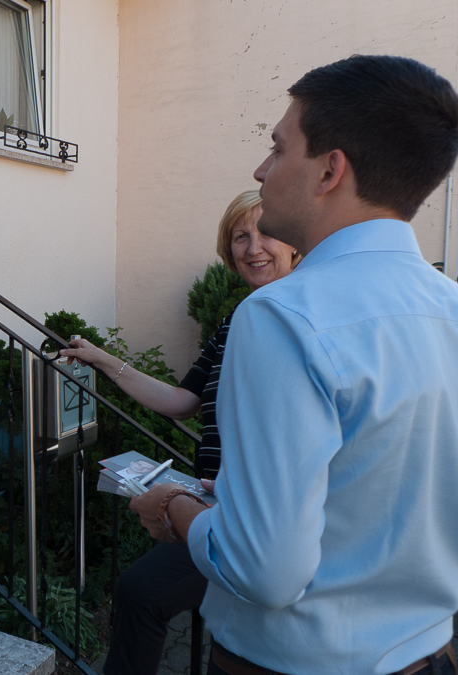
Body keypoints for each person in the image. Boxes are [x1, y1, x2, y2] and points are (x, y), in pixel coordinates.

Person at [132, 55, 458, 675]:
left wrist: (175, 509)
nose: (261, 169)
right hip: (432, 659)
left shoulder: (281, 317)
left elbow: (261, 569)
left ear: (329, 169)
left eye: (277, 147)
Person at [61, 190, 298, 675]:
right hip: (214, 506)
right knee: (147, 596)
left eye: (265, 232)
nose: (253, 247)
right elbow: (181, 401)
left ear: (295, 243)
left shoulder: (299, 317)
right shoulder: (236, 319)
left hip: (260, 520)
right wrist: (100, 358)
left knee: (145, 594)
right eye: (240, 236)